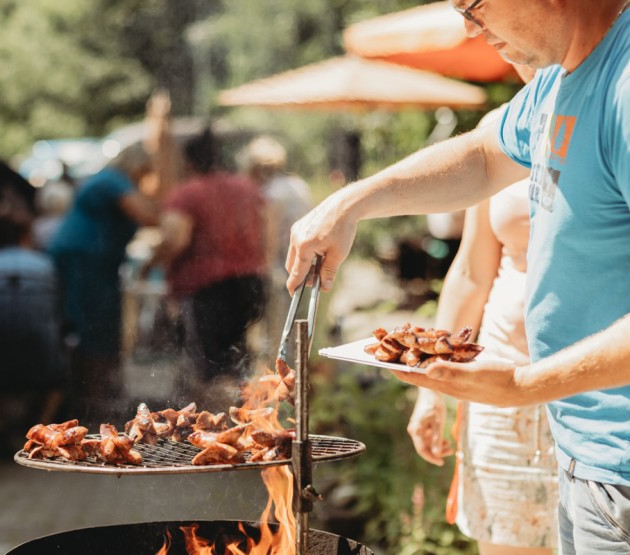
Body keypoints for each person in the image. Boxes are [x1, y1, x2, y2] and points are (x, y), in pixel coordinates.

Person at [286, 1, 630, 552]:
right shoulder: (559, 81)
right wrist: (352, 202)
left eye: (473, 4)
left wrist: (523, 385)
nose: (469, 27)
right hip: (587, 456)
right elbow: (483, 157)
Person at [408, 88, 559, 555]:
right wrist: (429, 390)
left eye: (482, 9)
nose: (479, 26)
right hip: (498, 392)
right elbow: (472, 274)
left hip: (596, 391)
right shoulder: (501, 125)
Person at [144, 127, 267, 412]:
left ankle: (217, 432)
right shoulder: (248, 188)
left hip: (210, 288)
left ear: (189, 162)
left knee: (209, 366)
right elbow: (267, 235)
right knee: (236, 359)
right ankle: (242, 425)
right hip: (250, 284)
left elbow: (176, 239)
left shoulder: (188, 193)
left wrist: (151, 264)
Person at [47, 143, 158, 423]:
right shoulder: (113, 181)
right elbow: (146, 215)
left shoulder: (109, 181)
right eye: (144, 173)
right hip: (85, 263)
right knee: (92, 329)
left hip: (95, 264)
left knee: (99, 328)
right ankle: (89, 404)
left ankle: (91, 400)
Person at [0, 209, 66, 456]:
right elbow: (59, 310)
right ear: (25, 235)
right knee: (57, 379)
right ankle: (42, 430)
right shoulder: (45, 266)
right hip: (40, 346)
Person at [240, 135, 313, 355]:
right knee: (301, 333)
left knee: (278, 334)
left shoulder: (272, 193)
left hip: (282, 271)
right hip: (307, 269)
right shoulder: (298, 186)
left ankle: (281, 381)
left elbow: (269, 239)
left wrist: (265, 271)